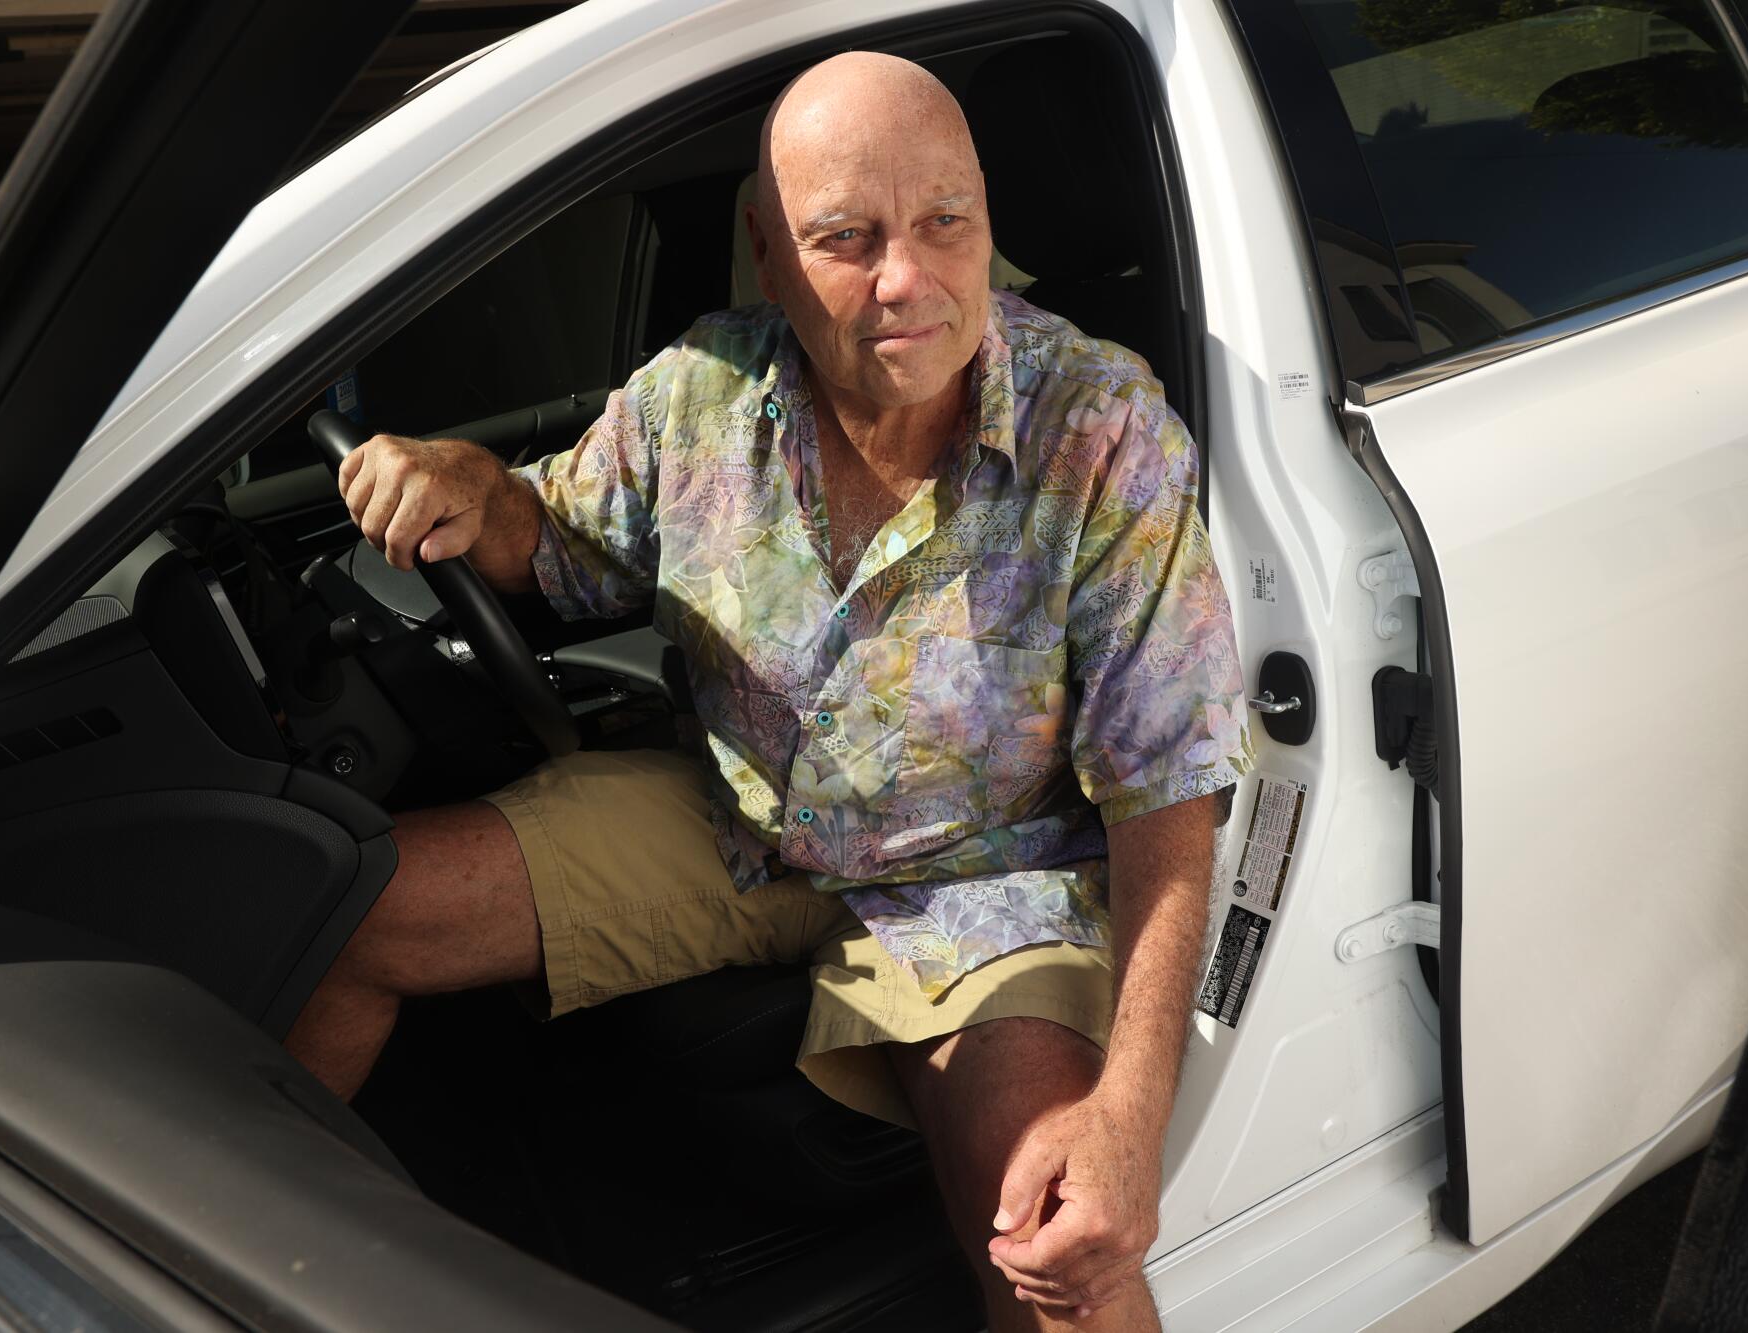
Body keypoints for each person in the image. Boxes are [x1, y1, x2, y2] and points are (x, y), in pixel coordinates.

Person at [289, 51, 1253, 1331]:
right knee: (352, 910)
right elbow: (559, 545)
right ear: (765, 248)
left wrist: (1130, 1114)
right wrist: (471, 483)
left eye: (943, 224)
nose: (904, 279)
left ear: (985, 218)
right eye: (844, 239)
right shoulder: (702, 391)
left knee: (1053, 1241)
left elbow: (1166, 800)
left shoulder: (1100, 429)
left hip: (981, 887)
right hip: (734, 823)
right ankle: (242, 1262)